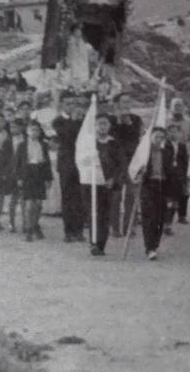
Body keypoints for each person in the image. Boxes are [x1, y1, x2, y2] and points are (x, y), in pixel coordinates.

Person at [86, 114, 125, 256]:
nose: (102, 126)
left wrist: (113, 179)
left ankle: (101, 244)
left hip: (108, 183)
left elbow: (120, 164)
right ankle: (93, 243)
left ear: (109, 126)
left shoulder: (114, 143)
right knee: (93, 213)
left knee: (105, 214)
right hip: (92, 182)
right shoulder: (89, 143)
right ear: (95, 125)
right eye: (99, 123)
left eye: (105, 123)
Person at [132, 127, 172, 261]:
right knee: (149, 217)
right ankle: (149, 247)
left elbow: (171, 171)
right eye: (156, 137)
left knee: (160, 217)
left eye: (161, 137)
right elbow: (134, 170)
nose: (159, 140)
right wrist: (140, 173)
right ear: (150, 138)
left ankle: (155, 245)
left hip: (163, 185)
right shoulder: (144, 154)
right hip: (148, 185)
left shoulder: (166, 152)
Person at [53, 95, 85, 242]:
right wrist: (73, 120)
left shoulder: (81, 120)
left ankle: (79, 230)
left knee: (80, 197)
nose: (71, 106)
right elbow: (66, 136)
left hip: (80, 163)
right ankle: (68, 231)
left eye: (73, 103)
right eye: (68, 103)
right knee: (67, 198)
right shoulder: (58, 121)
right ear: (62, 105)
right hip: (66, 163)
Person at [109, 93, 143, 238]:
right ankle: (115, 227)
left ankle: (130, 226)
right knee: (115, 196)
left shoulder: (136, 119)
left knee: (131, 195)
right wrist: (118, 121)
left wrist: (128, 123)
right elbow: (112, 138)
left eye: (129, 101)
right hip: (116, 163)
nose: (127, 104)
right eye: (124, 102)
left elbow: (136, 137)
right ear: (117, 104)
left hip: (132, 161)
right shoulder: (111, 119)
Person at [14, 121, 53, 242]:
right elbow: (17, 163)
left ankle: (35, 224)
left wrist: (48, 178)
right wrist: (19, 178)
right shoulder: (22, 145)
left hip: (40, 174)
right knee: (30, 204)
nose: (34, 132)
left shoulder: (43, 145)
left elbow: (47, 163)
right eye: (32, 130)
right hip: (27, 175)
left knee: (39, 204)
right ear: (27, 131)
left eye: (37, 130)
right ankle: (29, 229)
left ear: (40, 132)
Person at [164, 123, 190, 231]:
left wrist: (185, 175)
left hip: (179, 175)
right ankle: (167, 223)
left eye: (175, 131)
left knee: (180, 197)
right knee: (169, 200)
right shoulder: (165, 144)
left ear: (179, 133)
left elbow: (185, 162)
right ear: (167, 133)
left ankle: (177, 218)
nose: (173, 133)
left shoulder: (182, 146)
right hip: (168, 176)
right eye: (171, 131)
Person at [7, 119, 26, 234]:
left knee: (24, 198)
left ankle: (25, 223)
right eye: (12, 127)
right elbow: (5, 158)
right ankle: (11, 223)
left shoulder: (26, 140)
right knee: (13, 199)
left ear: (22, 128)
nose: (13, 129)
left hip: (23, 172)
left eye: (16, 127)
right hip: (12, 173)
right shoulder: (8, 141)